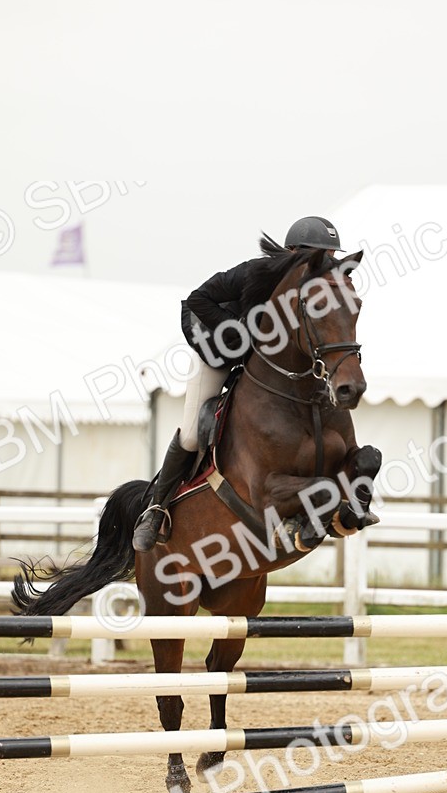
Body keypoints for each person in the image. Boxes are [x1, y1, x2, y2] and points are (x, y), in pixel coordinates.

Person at [132, 216, 344, 551]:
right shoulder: (253, 272)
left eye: (328, 258)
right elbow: (198, 299)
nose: (322, 266)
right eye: (315, 257)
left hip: (260, 364)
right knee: (191, 434)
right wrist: (237, 330)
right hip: (217, 350)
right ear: (290, 253)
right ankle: (156, 510)